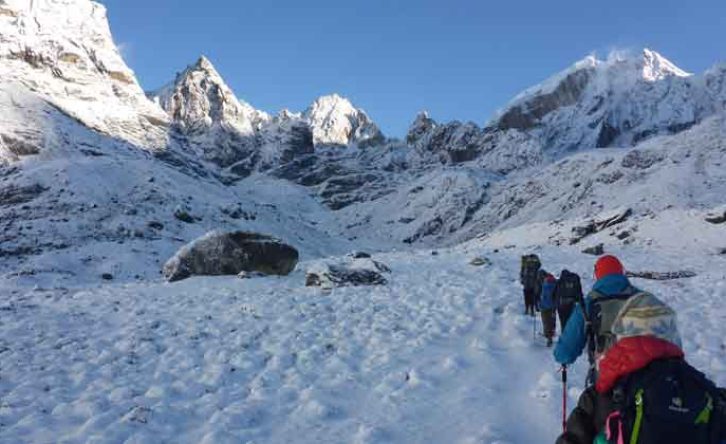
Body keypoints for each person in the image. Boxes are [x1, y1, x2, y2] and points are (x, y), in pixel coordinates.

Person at [554, 255, 726, 443]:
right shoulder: (642, 299)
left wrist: (563, 357)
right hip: (662, 376)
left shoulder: (588, 304)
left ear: (597, 275)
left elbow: (565, 352)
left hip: (608, 378)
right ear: (621, 271)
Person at [553, 269, 583, 334]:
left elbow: (554, 294)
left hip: (561, 305)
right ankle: (571, 336)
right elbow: (578, 294)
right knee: (571, 321)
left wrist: (554, 305)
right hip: (571, 304)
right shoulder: (574, 281)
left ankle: (564, 335)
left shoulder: (559, 282)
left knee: (563, 323)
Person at [539, 272, 557, 347]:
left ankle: (548, 337)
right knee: (552, 321)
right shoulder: (555, 283)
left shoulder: (544, 284)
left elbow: (540, 295)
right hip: (553, 306)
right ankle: (551, 333)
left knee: (546, 321)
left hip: (544, 306)